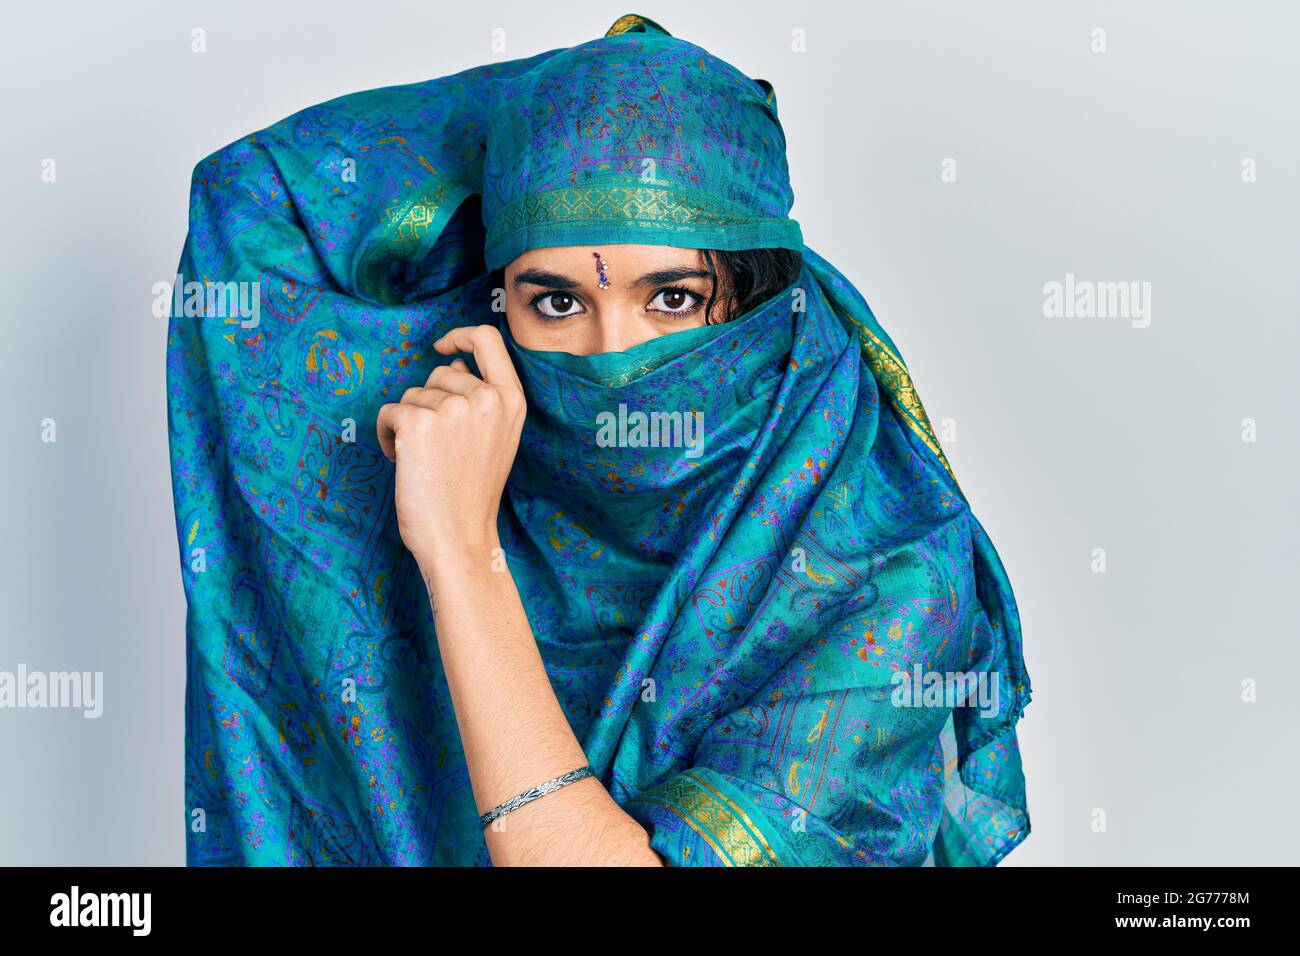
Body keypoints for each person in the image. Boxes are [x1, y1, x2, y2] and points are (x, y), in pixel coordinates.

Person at [168, 12, 1031, 866]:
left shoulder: (892, 578)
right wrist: (560, 108)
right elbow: (248, 201)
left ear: (763, 298)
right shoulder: (470, 462)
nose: (612, 361)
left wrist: (465, 562)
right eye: (557, 302)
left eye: (672, 298)